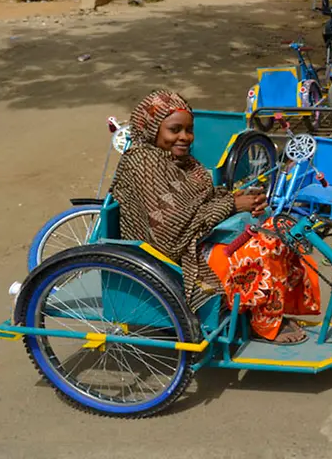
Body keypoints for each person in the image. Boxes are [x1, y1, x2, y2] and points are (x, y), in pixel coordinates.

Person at [110, 90, 321, 345]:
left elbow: (200, 199)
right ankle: (264, 323)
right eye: (175, 130)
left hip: (196, 239)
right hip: (172, 255)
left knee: (282, 234)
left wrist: (240, 199)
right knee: (260, 251)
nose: (184, 137)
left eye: (189, 130)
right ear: (152, 129)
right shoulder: (143, 164)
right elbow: (169, 230)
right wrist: (232, 204)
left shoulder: (181, 161)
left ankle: (270, 309)